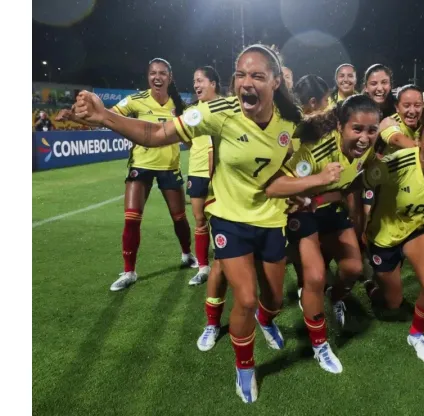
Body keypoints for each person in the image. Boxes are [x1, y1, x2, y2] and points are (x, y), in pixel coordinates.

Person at [72, 44, 306, 404]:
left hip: (270, 220)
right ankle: (245, 366)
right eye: (240, 74)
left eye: (257, 75)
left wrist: (296, 187)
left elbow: (292, 157)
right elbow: (155, 135)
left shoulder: (291, 121)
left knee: (272, 300)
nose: (246, 82)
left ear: (275, 82)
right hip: (229, 219)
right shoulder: (215, 112)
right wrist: (106, 117)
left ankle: (267, 318)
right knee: (244, 298)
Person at [265, 94, 380, 373]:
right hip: (301, 214)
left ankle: (336, 299)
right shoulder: (314, 151)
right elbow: (277, 186)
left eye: (371, 130)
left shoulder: (366, 149)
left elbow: (350, 181)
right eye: (357, 129)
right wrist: (316, 186)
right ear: (340, 126)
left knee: (353, 267)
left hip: (328, 209)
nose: (364, 137)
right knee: (315, 276)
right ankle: (320, 345)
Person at [61, 58, 195, 291]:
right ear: (148, 76)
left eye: (162, 73)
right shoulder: (135, 100)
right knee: (131, 218)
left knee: (179, 218)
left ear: (170, 78)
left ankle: (187, 254)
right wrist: (74, 117)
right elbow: (106, 117)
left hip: (170, 166)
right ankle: (129, 271)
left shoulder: (180, 104)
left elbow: (189, 135)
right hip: (141, 164)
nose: (157, 77)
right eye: (153, 73)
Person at [362, 113, 424, 363]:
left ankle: (417, 334)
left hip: (417, 230)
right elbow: (362, 186)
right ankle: (372, 286)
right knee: (393, 302)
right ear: (419, 140)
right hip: (382, 237)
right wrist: (361, 227)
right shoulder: (396, 163)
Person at [187, 65, 221, 286]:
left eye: (201, 80)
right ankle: (203, 267)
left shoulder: (226, 108)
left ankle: (224, 263)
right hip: (197, 172)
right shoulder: (191, 113)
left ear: (213, 84)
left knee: (223, 222)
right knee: (200, 221)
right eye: (195, 81)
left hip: (222, 173)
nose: (197, 85)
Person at [376, 84, 424, 156]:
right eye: (406, 106)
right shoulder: (391, 122)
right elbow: (397, 139)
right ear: (397, 107)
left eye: (417, 105)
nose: (412, 111)